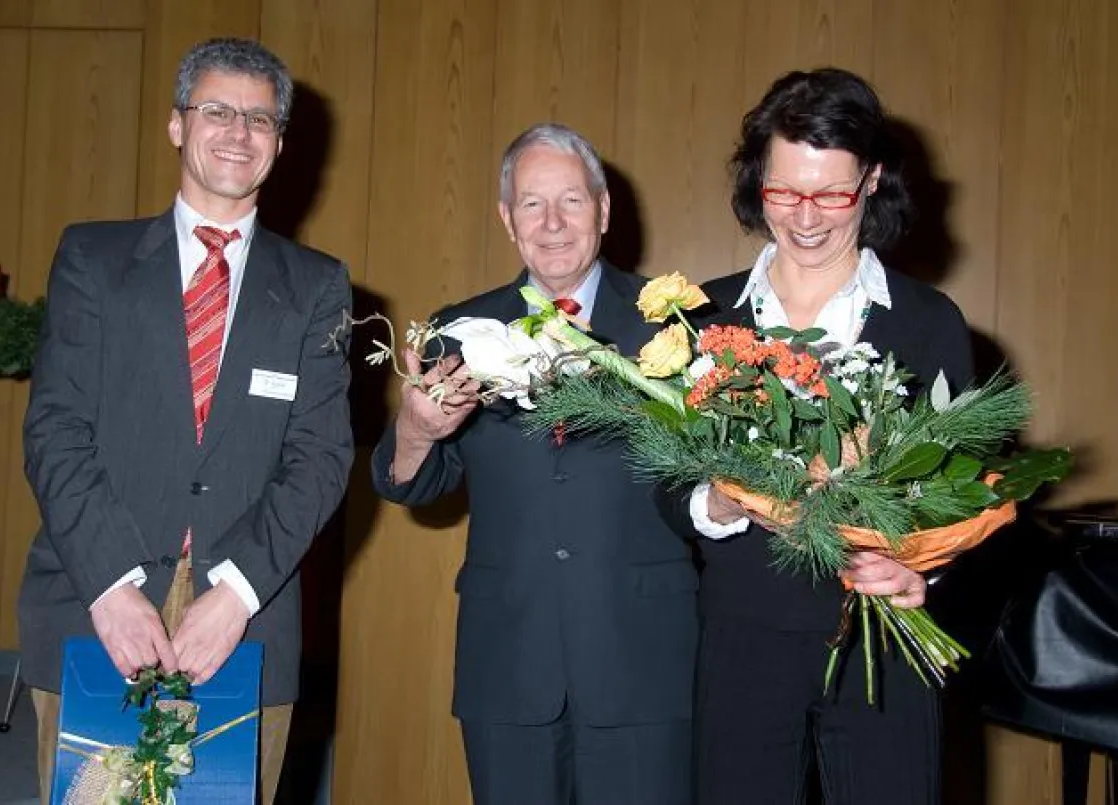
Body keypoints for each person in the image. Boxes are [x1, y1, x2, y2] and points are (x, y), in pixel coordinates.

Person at [18, 37, 354, 805]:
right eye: (217, 110)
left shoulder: (317, 287)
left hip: (245, 615)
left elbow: (320, 455)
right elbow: (55, 430)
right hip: (97, 598)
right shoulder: (91, 259)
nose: (238, 131)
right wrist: (109, 586)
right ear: (177, 125)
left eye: (259, 118)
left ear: (279, 142)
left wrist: (235, 594)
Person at [658, 68, 974, 804]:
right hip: (743, 639)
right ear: (756, 179)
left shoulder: (929, 323)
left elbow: (964, 492)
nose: (805, 217)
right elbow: (664, 485)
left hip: (884, 638)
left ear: (871, 182)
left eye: (831, 193)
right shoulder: (702, 320)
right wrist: (721, 501)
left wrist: (924, 573)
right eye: (783, 191)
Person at [371, 123, 696, 805]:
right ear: (507, 219)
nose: (552, 223)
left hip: (643, 659)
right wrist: (417, 428)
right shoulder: (458, 331)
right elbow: (411, 481)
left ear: (604, 211)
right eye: (531, 204)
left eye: (571, 202)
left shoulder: (673, 330)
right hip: (507, 660)